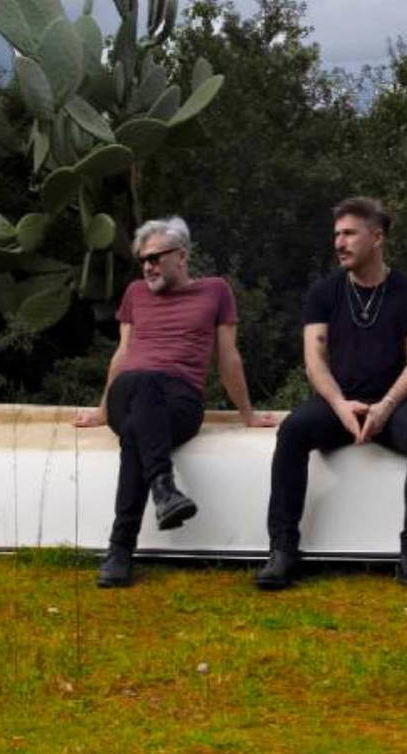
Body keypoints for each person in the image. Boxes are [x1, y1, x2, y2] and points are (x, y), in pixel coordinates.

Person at [75, 216, 275, 588]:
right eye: (142, 260)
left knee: (135, 432)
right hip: (128, 393)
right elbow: (123, 354)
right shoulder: (135, 293)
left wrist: (247, 414)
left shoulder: (216, 291)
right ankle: (164, 490)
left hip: (180, 402)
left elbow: (228, 358)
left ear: (181, 256)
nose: (147, 266)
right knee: (141, 380)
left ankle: (120, 551)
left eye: (155, 257)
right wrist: (102, 411)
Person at [258, 197, 407, 592]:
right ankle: (282, 549)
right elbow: (314, 361)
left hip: (393, 402)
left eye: (348, 234)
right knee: (292, 431)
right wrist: (340, 405)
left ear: (376, 237)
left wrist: (386, 407)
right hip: (337, 401)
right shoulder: (323, 292)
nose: (339, 243)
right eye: (336, 234)